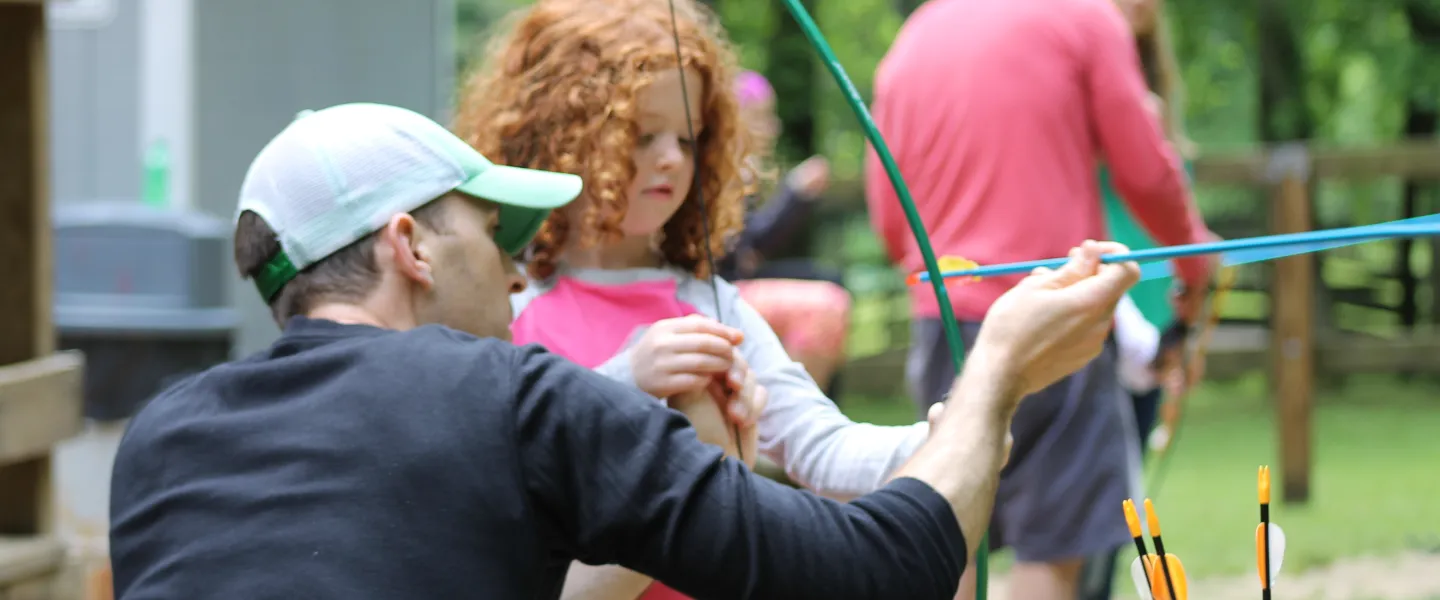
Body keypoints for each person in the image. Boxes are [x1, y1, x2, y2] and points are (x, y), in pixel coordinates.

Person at [105, 101, 1143, 599]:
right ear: (408, 244)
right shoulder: (510, 400)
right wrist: (999, 370)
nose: (516, 272)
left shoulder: (159, 445)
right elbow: (884, 569)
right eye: (491, 233)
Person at [449, 2, 950, 597]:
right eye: (641, 133)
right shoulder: (507, 299)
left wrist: (941, 437)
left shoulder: (711, 305)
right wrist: (627, 381)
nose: (670, 158)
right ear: (560, 133)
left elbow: (822, 450)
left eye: (688, 139)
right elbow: (499, 475)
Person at [864, 0, 1218, 598]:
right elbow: (1146, 170)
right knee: (1056, 552)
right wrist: (1195, 259)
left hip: (944, 322)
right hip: (1056, 319)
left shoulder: (914, 38)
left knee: (951, 539)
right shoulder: (1087, 17)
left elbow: (890, 217)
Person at [1080, 0, 1200, 596]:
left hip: (1154, 296)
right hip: (1102, 293)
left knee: (1128, 478)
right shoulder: (1078, 53)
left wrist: (1193, 295)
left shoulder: (1152, 80)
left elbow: (1173, 194)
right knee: (1099, 480)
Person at [719, 69, 852, 397]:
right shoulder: (723, 172)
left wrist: (798, 197)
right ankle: (799, 408)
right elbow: (752, 247)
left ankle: (822, 406)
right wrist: (793, 194)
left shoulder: (741, 171)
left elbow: (753, 247)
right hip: (723, 285)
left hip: (738, 277)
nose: (773, 127)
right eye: (762, 118)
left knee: (830, 277)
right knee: (828, 298)